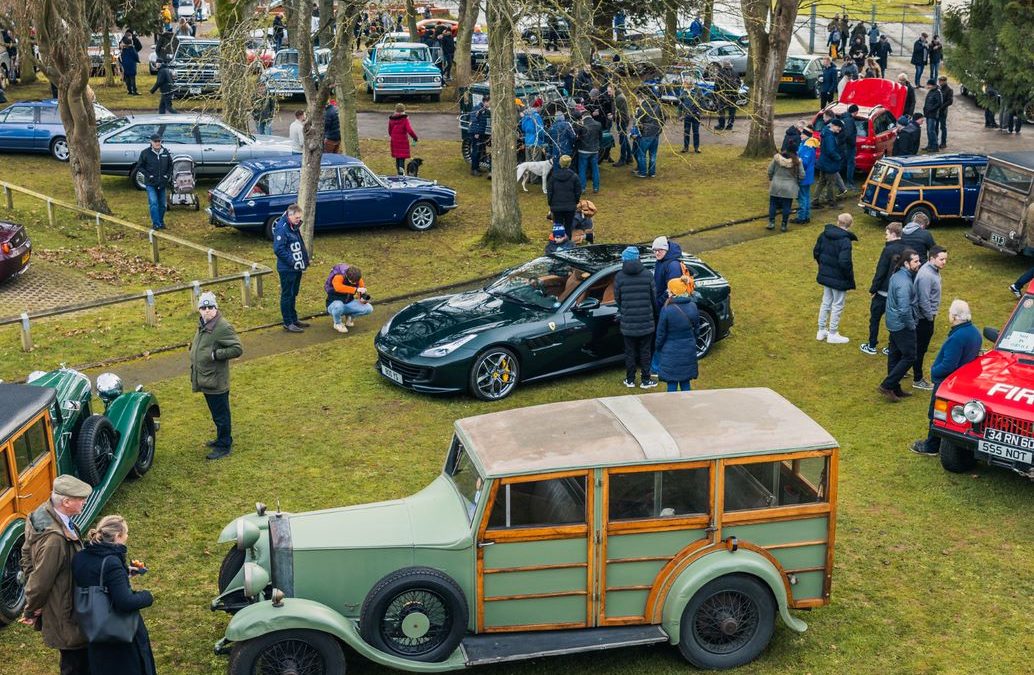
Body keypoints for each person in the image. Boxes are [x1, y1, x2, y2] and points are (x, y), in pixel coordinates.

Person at [20, 475, 93, 675]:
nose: (85, 502)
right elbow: (41, 582)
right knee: (75, 665)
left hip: (64, 604)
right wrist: (31, 608)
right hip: (67, 611)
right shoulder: (55, 540)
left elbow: (26, 553)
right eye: (81, 498)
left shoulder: (41, 514)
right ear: (66, 502)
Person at [71, 515, 156, 674]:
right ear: (118, 536)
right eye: (126, 533)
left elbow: (95, 580)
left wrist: (123, 574)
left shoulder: (80, 557)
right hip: (120, 637)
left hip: (93, 629)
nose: (127, 537)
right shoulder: (111, 561)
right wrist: (147, 596)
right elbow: (124, 601)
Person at [909, 300, 982, 455]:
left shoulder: (956, 338)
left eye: (950, 312)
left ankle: (931, 446)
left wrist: (934, 371)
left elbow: (948, 365)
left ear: (955, 316)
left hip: (947, 383)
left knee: (936, 414)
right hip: (963, 382)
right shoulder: (974, 332)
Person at [188, 291, 242, 458]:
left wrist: (215, 355)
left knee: (221, 415)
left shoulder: (222, 326)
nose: (207, 310)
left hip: (216, 381)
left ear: (216, 308)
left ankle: (224, 445)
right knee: (216, 413)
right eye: (203, 307)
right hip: (206, 378)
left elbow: (237, 349)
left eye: (210, 307)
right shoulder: (203, 324)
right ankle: (221, 439)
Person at [879, 249, 922, 402]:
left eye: (918, 260)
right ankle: (887, 385)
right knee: (910, 356)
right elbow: (904, 310)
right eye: (916, 261)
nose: (919, 263)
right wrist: (911, 324)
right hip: (902, 324)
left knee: (895, 355)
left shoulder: (896, 275)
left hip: (892, 321)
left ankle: (894, 388)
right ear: (906, 263)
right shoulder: (905, 283)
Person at [614, 246, 657, 388]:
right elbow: (653, 298)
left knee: (630, 353)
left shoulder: (619, 276)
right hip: (646, 322)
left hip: (628, 322)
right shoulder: (648, 275)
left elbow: (617, 298)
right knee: (645, 352)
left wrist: (625, 309)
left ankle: (630, 380)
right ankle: (646, 380)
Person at [861, 222, 905, 356]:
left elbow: (881, 271)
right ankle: (892, 347)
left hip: (883, 292)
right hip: (898, 293)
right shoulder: (907, 249)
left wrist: (873, 289)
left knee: (875, 319)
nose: (885, 237)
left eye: (886, 234)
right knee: (895, 322)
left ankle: (872, 345)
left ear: (892, 234)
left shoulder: (888, 250)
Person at [813, 213, 857, 344]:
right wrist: (848, 277)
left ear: (838, 222)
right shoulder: (845, 241)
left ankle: (821, 331)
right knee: (837, 305)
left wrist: (823, 267)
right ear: (850, 225)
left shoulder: (824, 235)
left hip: (827, 275)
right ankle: (832, 333)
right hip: (839, 278)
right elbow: (845, 262)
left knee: (826, 302)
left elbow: (816, 252)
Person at [655, 275, 699, 392]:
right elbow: (697, 329)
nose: (667, 291)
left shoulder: (667, 310)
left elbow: (661, 333)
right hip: (688, 349)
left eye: (669, 289)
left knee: (672, 383)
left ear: (673, 292)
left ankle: (672, 409)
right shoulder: (693, 306)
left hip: (671, 351)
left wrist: (658, 347)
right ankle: (688, 407)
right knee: (685, 382)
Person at [912, 245, 948, 391]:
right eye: (941, 259)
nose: (944, 262)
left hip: (925, 316)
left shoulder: (932, 270)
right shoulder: (927, 275)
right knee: (920, 349)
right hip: (923, 318)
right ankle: (918, 378)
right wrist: (929, 317)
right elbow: (923, 300)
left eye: (946, 259)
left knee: (917, 348)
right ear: (932, 258)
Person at [273, 204, 309, 332]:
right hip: (287, 269)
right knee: (287, 294)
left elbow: (299, 244)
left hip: (296, 267)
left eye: (300, 217)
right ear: (290, 215)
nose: (299, 220)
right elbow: (278, 249)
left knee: (294, 293)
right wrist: (293, 261)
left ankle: (294, 319)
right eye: (297, 217)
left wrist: (303, 261)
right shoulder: (282, 229)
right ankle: (288, 322)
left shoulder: (293, 226)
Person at [137, 134, 172, 231]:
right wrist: (149, 175)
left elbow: (170, 166)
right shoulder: (145, 153)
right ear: (151, 142)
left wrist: (167, 176)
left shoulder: (165, 152)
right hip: (151, 183)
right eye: (155, 141)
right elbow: (140, 166)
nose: (157, 143)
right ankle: (156, 224)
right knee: (153, 203)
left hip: (162, 183)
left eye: (159, 141)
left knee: (163, 205)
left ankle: (160, 222)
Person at [325, 264, 373, 333]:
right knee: (339, 305)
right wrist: (356, 290)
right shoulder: (338, 276)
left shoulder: (358, 279)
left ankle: (349, 316)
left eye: (356, 281)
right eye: (353, 281)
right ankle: (337, 323)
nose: (355, 283)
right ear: (347, 276)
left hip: (348, 303)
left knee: (369, 308)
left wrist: (364, 299)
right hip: (333, 304)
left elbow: (361, 293)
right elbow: (338, 288)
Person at [766, 149, 804, 232]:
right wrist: (797, 181)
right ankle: (784, 224)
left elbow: (770, 170)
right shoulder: (797, 162)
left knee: (773, 204)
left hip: (776, 184)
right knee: (787, 206)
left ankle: (771, 222)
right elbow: (802, 175)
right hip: (790, 187)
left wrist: (772, 178)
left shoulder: (776, 159)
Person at [546, 154, 580, 239]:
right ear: (569, 164)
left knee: (557, 225)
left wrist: (550, 203)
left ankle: (558, 242)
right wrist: (575, 202)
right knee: (568, 226)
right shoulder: (574, 177)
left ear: (560, 163)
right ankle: (567, 242)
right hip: (570, 206)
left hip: (556, 206)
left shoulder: (553, 177)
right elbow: (577, 192)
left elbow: (549, 192)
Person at [651, 236, 686, 313]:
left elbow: (673, 289)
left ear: (666, 250)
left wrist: (659, 303)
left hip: (667, 307)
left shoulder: (673, 265)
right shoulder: (660, 261)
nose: (656, 253)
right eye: (654, 250)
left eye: (659, 250)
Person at [814, 118, 843, 207]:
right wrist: (838, 157)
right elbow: (831, 151)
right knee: (831, 183)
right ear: (833, 126)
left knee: (821, 182)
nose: (839, 130)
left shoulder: (825, 132)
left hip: (823, 162)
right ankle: (831, 201)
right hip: (829, 164)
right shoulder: (830, 136)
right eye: (838, 128)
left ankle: (815, 201)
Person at [634, 95, 662, 178]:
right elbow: (663, 118)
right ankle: (652, 172)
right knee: (653, 153)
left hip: (646, 134)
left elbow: (638, 122)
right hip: (656, 133)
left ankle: (642, 172)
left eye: (637, 100)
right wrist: (659, 128)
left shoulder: (642, 108)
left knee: (641, 153)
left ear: (641, 99)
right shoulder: (657, 106)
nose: (637, 102)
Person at [575, 108, 601, 192]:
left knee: (582, 169)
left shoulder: (581, 125)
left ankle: (583, 188)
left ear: (583, 116)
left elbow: (577, 138)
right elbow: (600, 137)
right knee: (595, 169)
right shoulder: (598, 124)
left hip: (583, 150)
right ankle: (596, 187)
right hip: (595, 150)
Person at [388, 103, 418, 175]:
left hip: (394, 140)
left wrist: (393, 136)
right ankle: (401, 174)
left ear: (396, 110)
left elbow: (389, 130)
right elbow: (409, 130)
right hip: (402, 141)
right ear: (403, 110)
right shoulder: (405, 119)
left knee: (397, 158)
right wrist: (415, 137)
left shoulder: (392, 118)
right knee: (401, 158)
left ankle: (398, 172)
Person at [795, 135, 818, 224]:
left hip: (804, 176)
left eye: (802, 134)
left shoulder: (807, 146)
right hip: (808, 175)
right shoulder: (808, 144)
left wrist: (797, 159)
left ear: (806, 135)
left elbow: (804, 163)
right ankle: (806, 216)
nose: (800, 135)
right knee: (806, 196)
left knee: (802, 197)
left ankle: (802, 217)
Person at [715, 60, 740, 130]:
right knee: (732, 110)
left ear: (723, 65)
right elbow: (739, 83)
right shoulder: (735, 72)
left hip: (723, 95)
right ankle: (730, 125)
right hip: (733, 95)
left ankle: (721, 125)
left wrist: (716, 93)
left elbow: (717, 84)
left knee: (721, 110)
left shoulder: (720, 73)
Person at [468, 94, 490, 175]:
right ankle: (474, 169)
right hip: (475, 133)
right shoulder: (477, 108)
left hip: (480, 132)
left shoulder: (484, 109)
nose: (490, 105)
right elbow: (474, 120)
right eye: (490, 103)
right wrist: (476, 132)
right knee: (475, 150)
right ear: (485, 102)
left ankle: (477, 167)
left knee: (480, 150)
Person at [839, 104, 859, 189]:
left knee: (842, 162)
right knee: (850, 164)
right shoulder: (850, 120)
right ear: (855, 112)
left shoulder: (842, 118)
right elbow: (849, 134)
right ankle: (849, 183)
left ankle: (838, 181)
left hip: (843, 146)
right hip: (849, 146)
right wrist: (852, 144)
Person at [612, 87, 632, 165]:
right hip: (623, 121)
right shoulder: (620, 95)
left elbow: (621, 113)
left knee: (622, 140)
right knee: (625, 139)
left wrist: (613, 117)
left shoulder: (619, 98)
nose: (608, 93)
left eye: (610, 91)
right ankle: (629, 157)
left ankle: (622, 159)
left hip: (622, 121)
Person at [921, 79, 942, 152]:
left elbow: (939, 103)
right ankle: (930, 145)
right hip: (928, 114)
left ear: (932, 85)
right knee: (928, 130)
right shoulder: (931, 92)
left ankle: (935, 146)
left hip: (933, 115)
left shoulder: (937, 92)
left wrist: (931, 109)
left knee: (931, 130)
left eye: (929, 85)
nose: (928, 86)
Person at [937, 75, 953, 149]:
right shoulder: (939, 88)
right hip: (936, 111)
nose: (940, 82)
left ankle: (943, 143)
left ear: (945, 81)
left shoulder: (949, 90)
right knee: (935, 127)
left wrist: (942, 107)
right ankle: (935, 142)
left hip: (943, 111)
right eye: (939, 80)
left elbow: (950, 101)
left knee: (943, 127)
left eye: (942, 81)